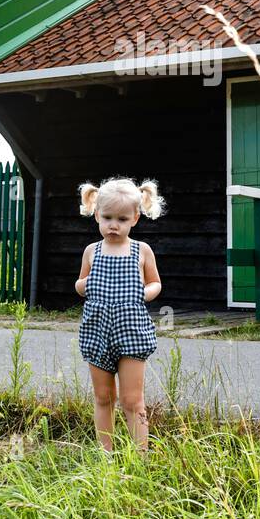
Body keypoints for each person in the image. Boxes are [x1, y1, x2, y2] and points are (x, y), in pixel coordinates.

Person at [75, 176, 164, 454]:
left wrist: (145, 293)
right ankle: (106, 455)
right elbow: (80, 284)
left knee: (132, 399)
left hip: (131, 333)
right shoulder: (92, 251)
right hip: (97, 331)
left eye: (122, 219)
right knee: (103, 397)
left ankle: (141, 456)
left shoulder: (141, 250)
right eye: (108, 217)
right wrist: (84, 285)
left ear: (135, 218)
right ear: (97, 215)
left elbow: (155, 283)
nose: (114, 225)